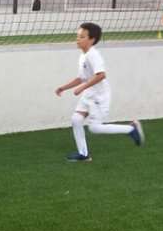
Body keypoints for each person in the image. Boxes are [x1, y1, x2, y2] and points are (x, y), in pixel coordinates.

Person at [55, 22, 144, 162]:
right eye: (77, 36)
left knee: (95, 128)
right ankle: (83, 155)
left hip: (99, 96)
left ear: (92, 40)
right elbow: (81, 78)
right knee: (76, 119)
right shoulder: (83, 56)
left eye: (82, 37)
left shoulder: (93, 55)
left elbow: (101, 75)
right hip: (89, 94)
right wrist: (64, 88)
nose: (78, 39)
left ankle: (131, 130)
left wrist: (81, 88)